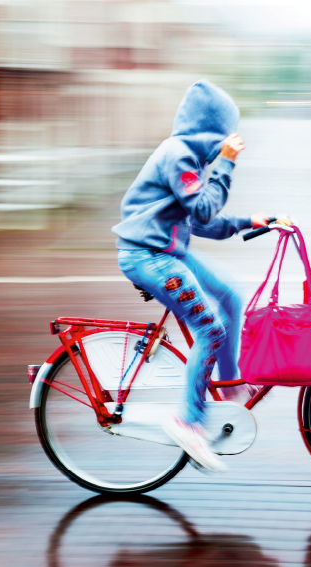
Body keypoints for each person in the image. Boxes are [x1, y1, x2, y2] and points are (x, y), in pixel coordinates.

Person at [113, 79, 267, 472]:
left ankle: (230, 384)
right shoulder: (179, 155)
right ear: (211, 128)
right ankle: (188, 421)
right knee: (210, 330)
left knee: (231, 292)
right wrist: (228, 163)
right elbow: (201, 211)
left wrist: (249, 221)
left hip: (168, 252)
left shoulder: (191, 160)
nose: (229, 140)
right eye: (226, 131)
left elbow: (205, 223)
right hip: (149, 258)